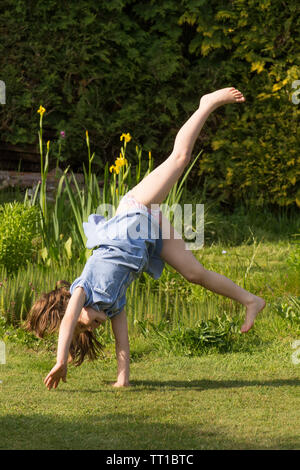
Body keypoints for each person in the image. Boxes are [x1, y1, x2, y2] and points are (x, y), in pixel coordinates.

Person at [26, 87, 266, 390]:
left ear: (71, 315)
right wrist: (122, 380)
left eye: (82, 325)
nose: (94, 327)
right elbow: (122, 340)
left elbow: (68, 322)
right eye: (90, 330)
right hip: (149, 234)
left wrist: (61, 361)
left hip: (136, 209)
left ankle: (206, 103)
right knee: (195, 274)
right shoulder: (112, 305)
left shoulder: (81, 291)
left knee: (179, 159)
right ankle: (251, 300)